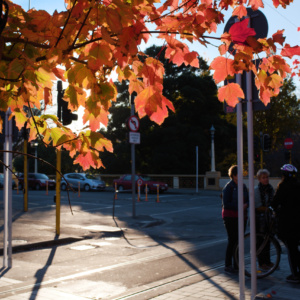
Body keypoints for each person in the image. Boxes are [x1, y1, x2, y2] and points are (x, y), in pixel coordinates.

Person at [272, 164, 300, 283]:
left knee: (291, 249)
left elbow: (275, 202)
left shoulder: (283, 186)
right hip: (298, 222)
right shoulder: (298, 185)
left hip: (287, 223)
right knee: (295, 248)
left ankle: (295, 275)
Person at [222, 165, 249, 274]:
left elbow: (248, 199)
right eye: (239, 174)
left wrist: (247, 204)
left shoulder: (243, 186)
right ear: (234, 175)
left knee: (239, 241)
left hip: (242, 216)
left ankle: (237, 265)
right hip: (230, 217)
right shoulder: (229, 187)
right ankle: (228, 265)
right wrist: (239, 206)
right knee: (232, 240)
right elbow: (226, 204)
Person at [254, 169, 275, 270]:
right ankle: (261, 262)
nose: (266, 179)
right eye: (263, 178)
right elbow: (257, 206)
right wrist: (269, 209)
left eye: (267, 177)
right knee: (260, 241)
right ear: (259, 179)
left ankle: (268, 261)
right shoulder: (256, 190)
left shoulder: (271, 189)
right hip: (259, 219)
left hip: (268, 218)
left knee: (268, 240)